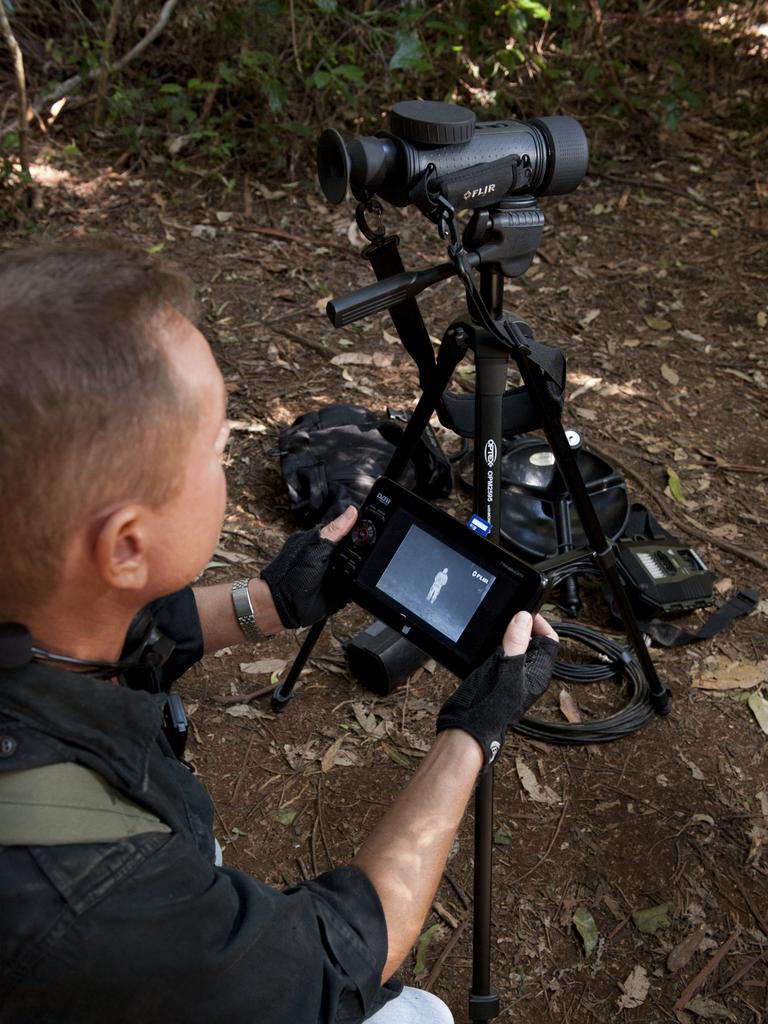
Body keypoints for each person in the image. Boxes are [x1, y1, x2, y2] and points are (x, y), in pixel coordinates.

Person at [0, 239, 559, 1024]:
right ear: (125, 545)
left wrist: (265, 601)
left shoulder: (36, 606)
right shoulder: (99, 894)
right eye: (221, 450)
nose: (232, 466)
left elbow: (120, 634)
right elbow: (347, 956)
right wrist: (473, 733)